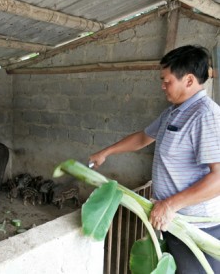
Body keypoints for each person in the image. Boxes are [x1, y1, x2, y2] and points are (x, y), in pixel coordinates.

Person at [89, 45, 220, 273]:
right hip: (173, 220)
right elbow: (143, 137)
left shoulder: (205, 115)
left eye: (167, 81)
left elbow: (219, 177)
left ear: (188, 81)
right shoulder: (174, 111)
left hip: (196, 227)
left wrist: (170, 205)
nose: (162, 86)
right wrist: (106, 152)